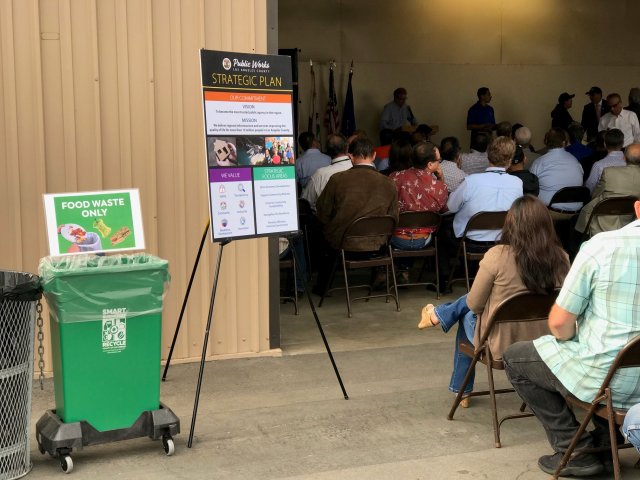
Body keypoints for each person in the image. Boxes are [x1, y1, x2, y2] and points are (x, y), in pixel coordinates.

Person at [503, 200, 640, 477]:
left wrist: (576, 335)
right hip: (625, 373)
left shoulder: (602, 246)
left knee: (515, 357)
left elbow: (559, 324)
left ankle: (572, 448)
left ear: (638, 208)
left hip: (606, 377)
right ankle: (603, 443)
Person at [419, 196, 569, 407]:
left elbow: (474, 305)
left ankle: (461, 390)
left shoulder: (497, 256)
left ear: (511, 224)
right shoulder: (562, 257)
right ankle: (441, 315)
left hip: (501, 345)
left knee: (466, 314)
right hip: (546, 342)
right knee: (477, 305)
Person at [313, 137, 398, 295]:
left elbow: (322, 212)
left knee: (319, 234)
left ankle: (323, 286)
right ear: (374, 156)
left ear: (350, 156)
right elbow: (394, 218)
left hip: (343, 244)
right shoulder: (389, 183)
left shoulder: (337, 180)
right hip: (378, 243)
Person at [437, 136, 523, 287]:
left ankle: (444, 280)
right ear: (510, 160)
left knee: (442, 231)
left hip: (471, 243)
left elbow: (450, 207)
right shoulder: (517, 183)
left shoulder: (471, 181)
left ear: (488, 156)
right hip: (502, 242)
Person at [389, 141, 448, 283]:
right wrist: (440, 179)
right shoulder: (439, 187)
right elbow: (443, 209)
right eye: (438, 161)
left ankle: (396, 271)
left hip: (395, 238)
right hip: (424, 240)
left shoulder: (394, 177)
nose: (439, 163)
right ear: (430, 165)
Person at [575, 143, 640, 237]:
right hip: (631, 223)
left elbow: (595, 195)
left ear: (624, 158)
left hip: (602, 222)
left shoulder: (609, 172)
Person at [529, 128, 583, 211]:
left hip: (550, 211)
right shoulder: (575, 161)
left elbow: (530, 186)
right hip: (576, 210)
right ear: (564, 143)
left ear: (545, 142)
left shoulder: (539, 162)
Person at [301, 133, 351, 212]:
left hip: (327, 222)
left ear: (327, 150)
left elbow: (306, 202)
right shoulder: (361, 169)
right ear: (347, 147)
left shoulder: (320, 175)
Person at [583, 128, 625, 194]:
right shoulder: (631, 164)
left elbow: (589, 189)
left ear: (605, 144)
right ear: (623, 143)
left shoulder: (599, 165)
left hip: (605, 203)